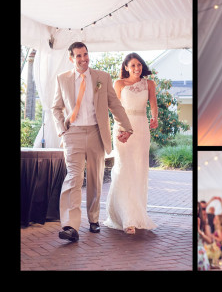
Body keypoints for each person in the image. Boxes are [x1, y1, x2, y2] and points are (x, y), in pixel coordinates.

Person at [52, 42, 134, 242]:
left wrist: (127, 126)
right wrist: (62, 131)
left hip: (97, 133)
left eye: (85, 54)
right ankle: (71, 226)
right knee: (73, 178)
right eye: (78, 56)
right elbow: (56, 107)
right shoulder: (62, 79)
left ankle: (94, 219)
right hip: (73, 134)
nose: (83, 59)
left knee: (95, 179)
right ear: (71, 58)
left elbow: (114, 104)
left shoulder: (102, 78)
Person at [104, 53, 158, 234]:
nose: (137, 68)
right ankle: (126, 218)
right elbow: (114, 108)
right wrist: (122, 129)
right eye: (133, 65)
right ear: (126, 67)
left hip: (142, 128)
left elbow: (153, 104)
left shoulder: (149, 84)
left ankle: (137, 214)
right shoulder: (118, 84)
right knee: (124, 168)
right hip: (123, 127)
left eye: (139, 65)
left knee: (139, 169)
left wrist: (155, 118)